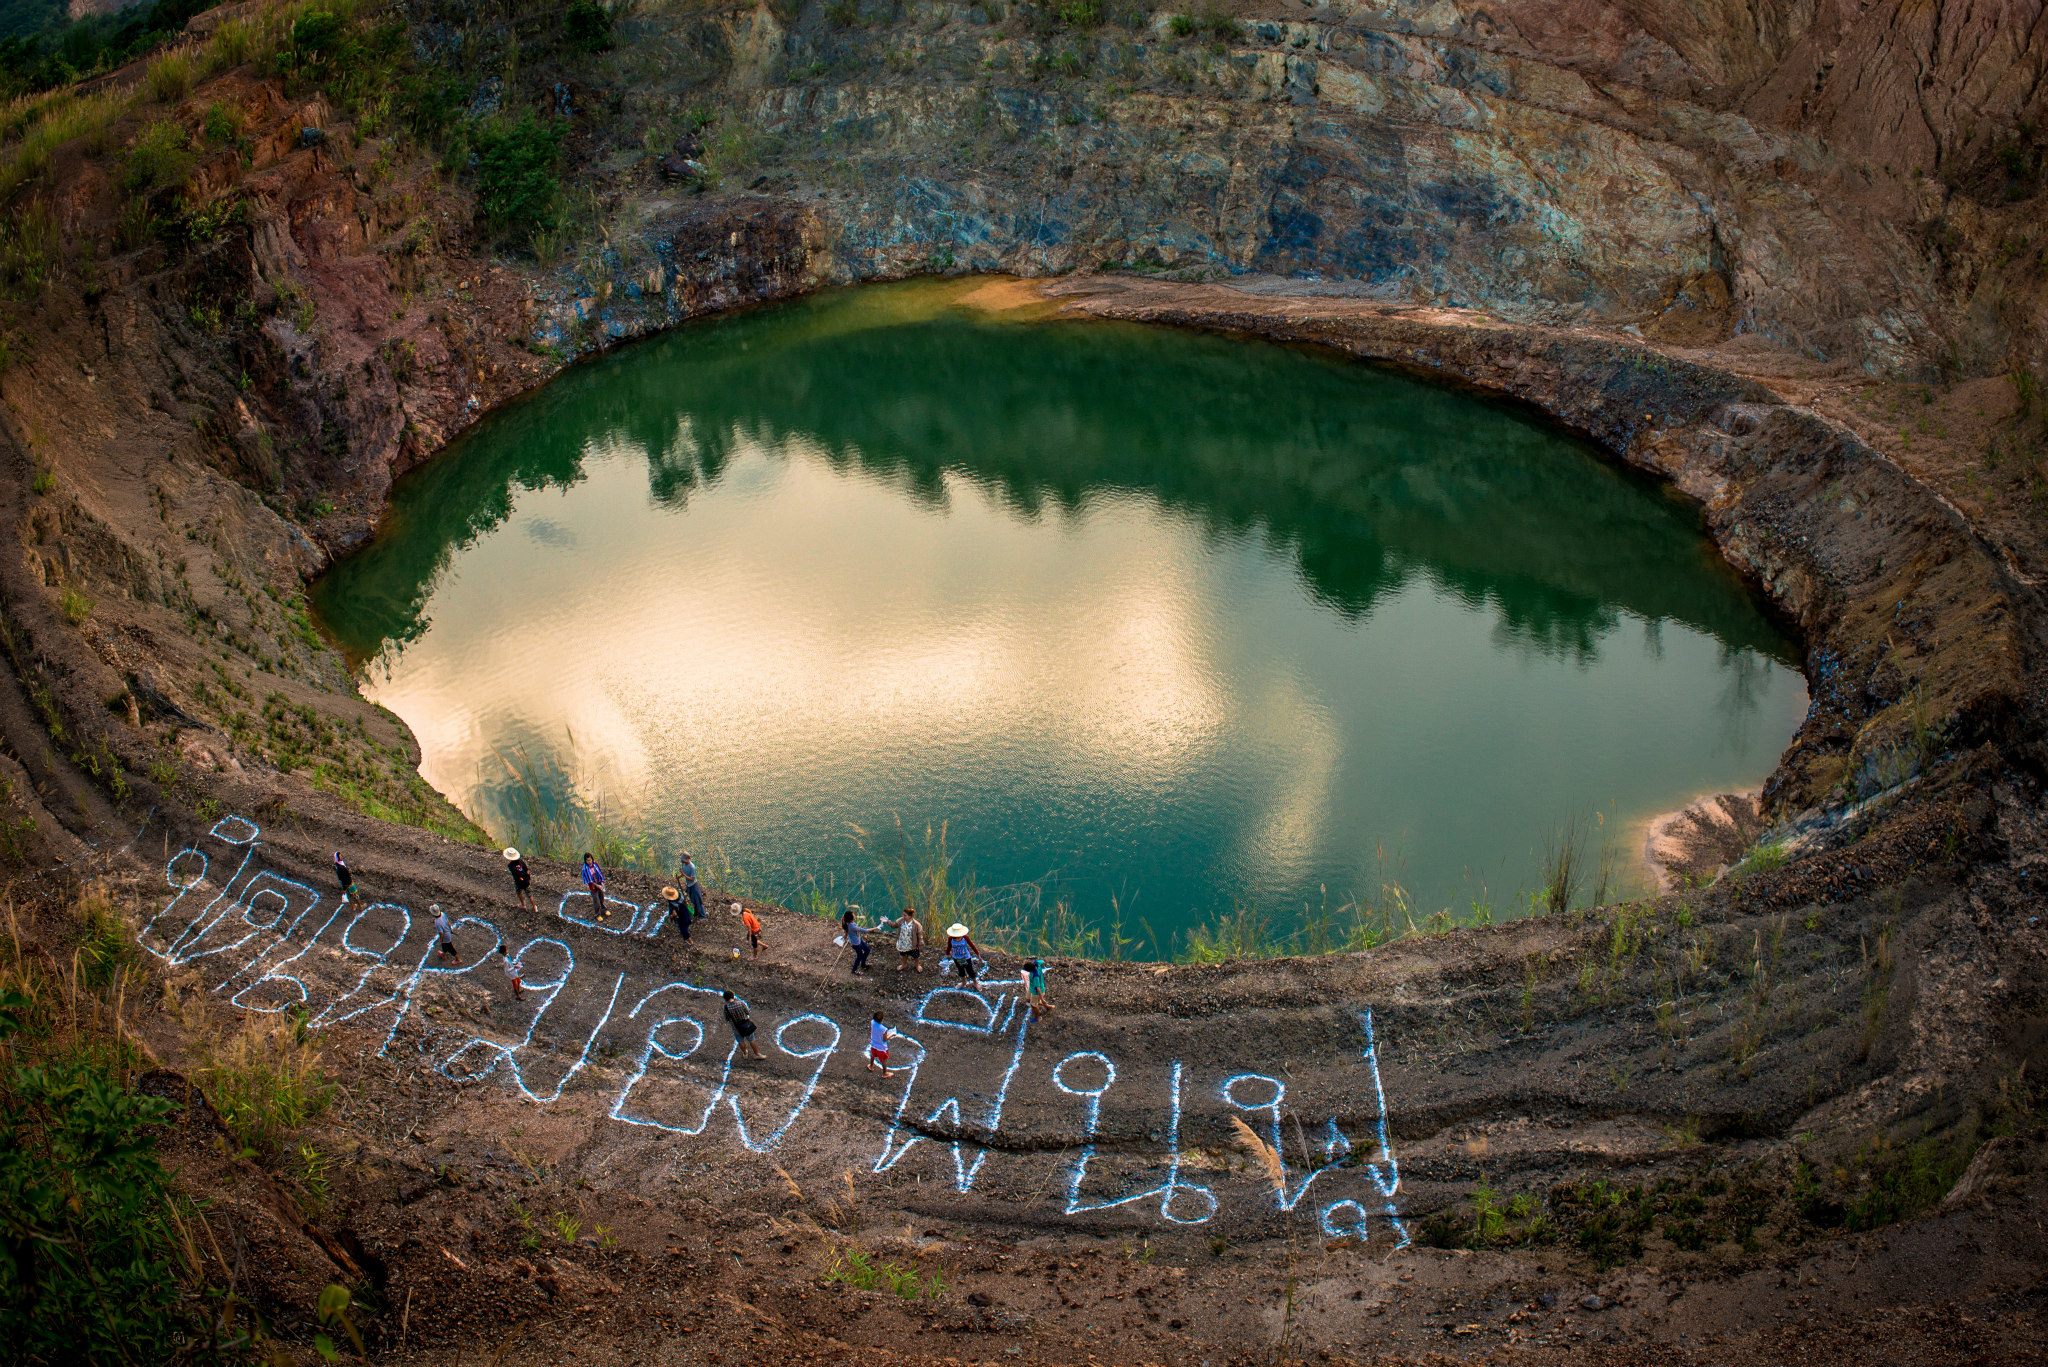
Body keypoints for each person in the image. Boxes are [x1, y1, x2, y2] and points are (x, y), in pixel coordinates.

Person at [722, 989, 763, 1059]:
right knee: (751, 1039)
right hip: (746, 1025)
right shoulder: (740, 1003)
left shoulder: (726, 1008)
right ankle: (757, 1054)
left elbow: (727, 1019)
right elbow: (747, 1012)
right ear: (733, 996)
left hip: (736, 1027)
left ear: (725, 999)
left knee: (740, 1041)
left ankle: (745, 1054)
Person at [887, 907, 925, 972]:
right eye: (903, 914)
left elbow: (920, 935)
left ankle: (917, 965)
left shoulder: (916, 924)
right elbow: (894, 925)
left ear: (910, 916)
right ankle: (903, 964)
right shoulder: (901, 920)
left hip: (912, 944)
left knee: (916, 956)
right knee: (903, 955)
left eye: (905, 915)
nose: (903, 916)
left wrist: (920, 944)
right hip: (903, 943)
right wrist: (887, 921)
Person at [841, 907, 873, 975]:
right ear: (851, 918)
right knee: (860, 956)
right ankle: (854, 971)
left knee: (867, 950)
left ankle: (863, 964)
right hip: (856, 944)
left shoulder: (848, 922)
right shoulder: (852, 926)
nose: (855, 915)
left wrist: (845, 936)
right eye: (853, 914)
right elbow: (865, 930)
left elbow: (846, 930)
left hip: (858, 940)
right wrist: (877, 928)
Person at [504, 847, 536, 913]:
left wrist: (521, 878)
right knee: (530, 895)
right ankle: (534, 907)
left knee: (519, 892)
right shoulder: (521, 861)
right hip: (526, 881)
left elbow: (516, 874)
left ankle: (523, 905)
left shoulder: (510, 865)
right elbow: (527, 870)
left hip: (519, 882)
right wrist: (529, 878)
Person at [679, 852, 706, 921]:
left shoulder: (692, 867)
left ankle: (703, 916)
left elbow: (692, 878)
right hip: (689, 885)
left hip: (694, 885)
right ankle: (696, 913)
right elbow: (683, 873)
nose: (682, 861)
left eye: (684, 860)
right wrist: (679, 877)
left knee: (698, 901)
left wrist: (683, 874)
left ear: (688, 859)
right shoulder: (684, 864)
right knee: (692, 900)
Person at [581, 853, 607, 921]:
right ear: (585, 861)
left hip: (598, 882)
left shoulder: (595, 864)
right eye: (587, 860)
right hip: (593, 886)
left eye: (590, 860)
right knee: (596, 901)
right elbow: (589, 880)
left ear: (592, 859)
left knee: (601, 897)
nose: (589, 862)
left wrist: (602, 882)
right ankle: (597, 914)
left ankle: (603, 910)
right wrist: (597, 885)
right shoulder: (585, 869)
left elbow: (599, 872)